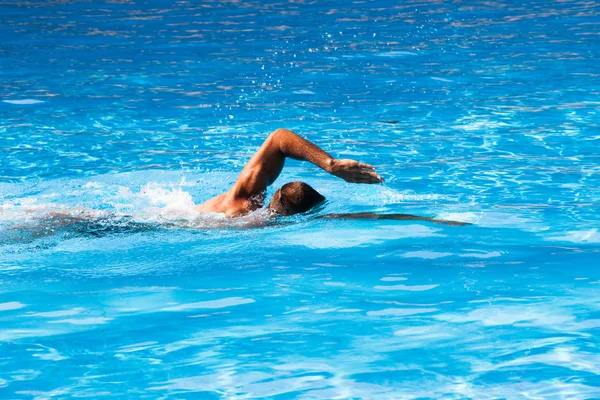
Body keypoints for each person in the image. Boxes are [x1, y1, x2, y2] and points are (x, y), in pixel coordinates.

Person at [195, 128, 469, 226]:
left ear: (275, 195)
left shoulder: (244, 199)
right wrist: (432, 219)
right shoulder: (251, 217)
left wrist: (330, 165)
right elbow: (366, 217)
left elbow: (279, 139)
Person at [196, 128, 383, 217]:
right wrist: (330, 164)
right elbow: (279, 138)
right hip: (174, 223)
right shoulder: (241, 203)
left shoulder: (257, 202)